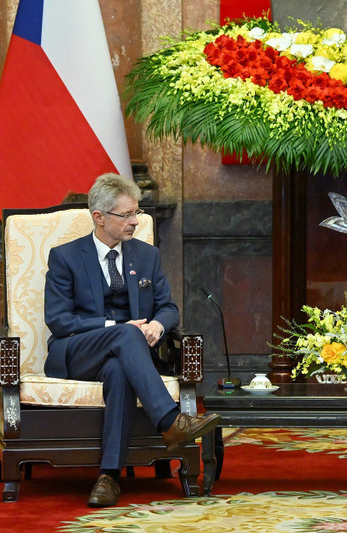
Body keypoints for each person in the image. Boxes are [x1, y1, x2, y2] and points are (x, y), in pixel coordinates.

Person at [44, 173, 221, 507]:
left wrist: (157, 323)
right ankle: (170, 420)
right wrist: (116, 325)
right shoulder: (65, 257)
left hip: (126, 356)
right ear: (99, 217)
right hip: (77, 352)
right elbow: (59, 320)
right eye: (126, 215)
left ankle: (108, 477)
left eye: (136, 213)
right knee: (125, 333)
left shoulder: (146, 255)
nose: (135, 221)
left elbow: (169, 307)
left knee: (119, 369)